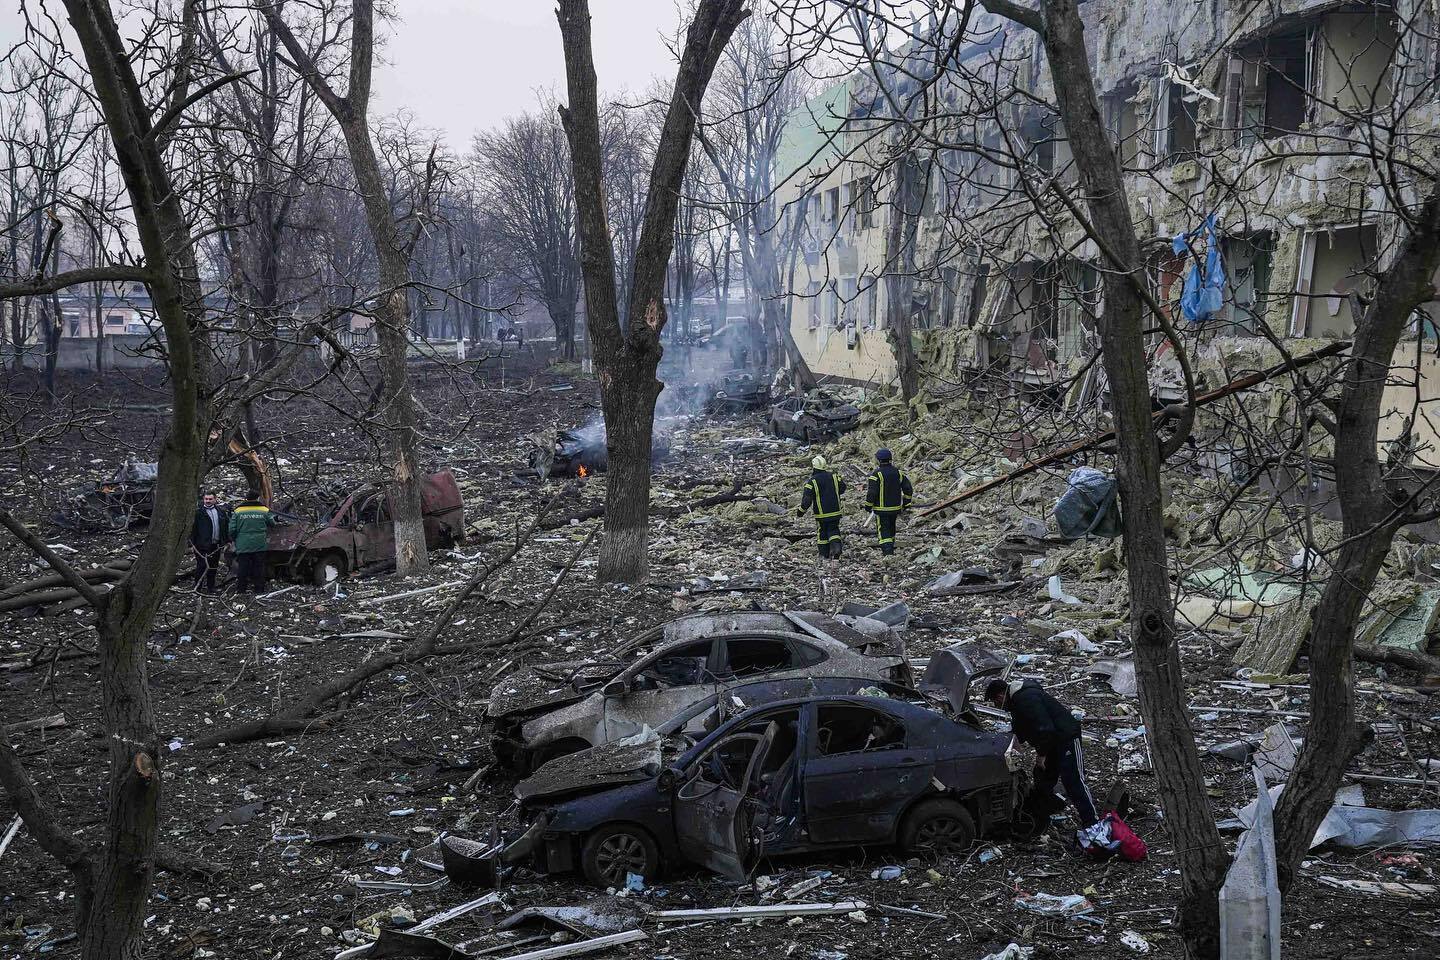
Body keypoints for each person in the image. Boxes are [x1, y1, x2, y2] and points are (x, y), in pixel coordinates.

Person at [985, 677, 1098, 828]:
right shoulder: (1017, 702)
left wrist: (1041, 755)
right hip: (1051, 741)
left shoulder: (1026, 699)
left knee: (1073, 780)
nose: (997, 706)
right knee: (1042, 776)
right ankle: (1046, 810)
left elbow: (1045, 728)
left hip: (1066, 738)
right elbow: (1021, 726)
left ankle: (1092, 822)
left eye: (996, 702)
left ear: (1000, 696)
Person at [863, 448, 912, 555]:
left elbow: (872, 493)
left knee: (883, 530)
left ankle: (888, 552)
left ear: (879, 460)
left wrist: (868, 506)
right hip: (895, 509)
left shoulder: (876, 474)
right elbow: (908, 488)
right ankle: (891, 548)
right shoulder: (898, 473)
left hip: (881, 509)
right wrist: (906, 503)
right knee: (891, 528)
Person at [798, 455, 846, 560]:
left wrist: (800, 511)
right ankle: (836, 548)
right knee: (834, 530)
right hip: (836, 511)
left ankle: (824, 555)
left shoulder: (812, 482)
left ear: (814, 467)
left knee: (822, 533)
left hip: (822, 514)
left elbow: (807, 500)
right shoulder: (834, 476)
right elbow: (843, 488)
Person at [228, 498, 277, 594]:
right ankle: (259, 589)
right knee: (259, 567)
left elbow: (232, 529)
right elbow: (272, 523)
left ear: (246, 498)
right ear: (258, 498)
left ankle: (241, 589)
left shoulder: (238, 511)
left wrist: (236, 539)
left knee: (243, 567)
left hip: (243, 544)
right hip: (259, 544)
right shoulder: (264, 510)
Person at [190, 491, 230, 593]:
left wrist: (227, 541)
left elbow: (225, 527)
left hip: (216, 545)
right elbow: (192, 529)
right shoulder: (198, 513)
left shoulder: (220, 512)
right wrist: (192, 544)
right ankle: (197, 588)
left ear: (215, 499)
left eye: (210, 499)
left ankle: (210, 587)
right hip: (201, 545)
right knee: (201, 566)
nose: (208, 501)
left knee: (213, 567)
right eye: (206, 499)